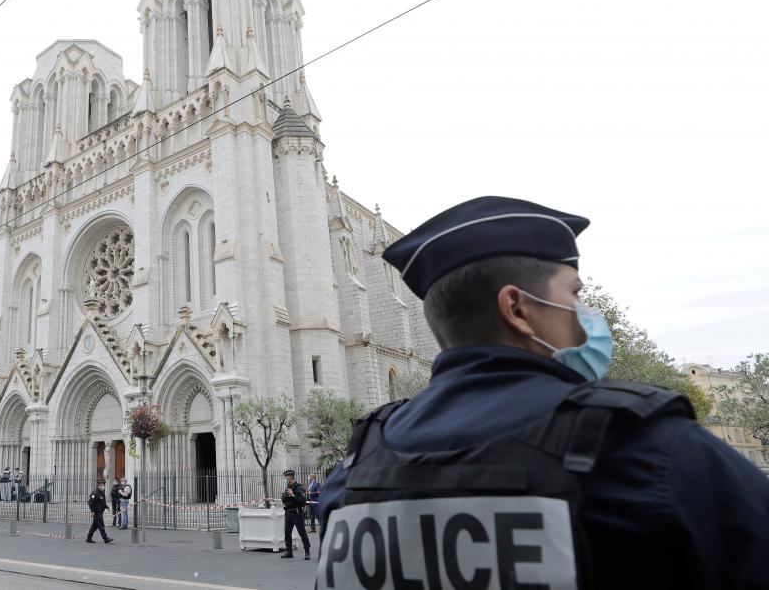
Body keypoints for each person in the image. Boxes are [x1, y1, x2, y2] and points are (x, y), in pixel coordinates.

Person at [315, 196, 769, 589]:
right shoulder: (655, 453)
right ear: (517, 308)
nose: (586, 313)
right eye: (574, 293)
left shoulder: (351, 476)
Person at [280, 470, 311, 560]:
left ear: (290, 477)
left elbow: (303, 501)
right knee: (287, 533)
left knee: (302, 532)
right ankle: (289, 552)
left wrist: (293, 495)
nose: (285, 478)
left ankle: (307, 552)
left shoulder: (299, 487)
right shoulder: (287, 487)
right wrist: (284, 496)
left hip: (297, 512)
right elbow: (285, 501)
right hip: (289, 512)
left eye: (286, 477)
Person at [86, 479, 114, 544]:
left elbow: (102, 502)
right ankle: (105, 538)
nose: (104, 486)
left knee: (94, 526)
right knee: (101, 525)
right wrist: (92, 511)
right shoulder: (95, 493)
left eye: (104, 485)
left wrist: (106, 507)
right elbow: (90, 503)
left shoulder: (101, 492)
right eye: (103, 485)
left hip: (100, 511)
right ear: (99, 485)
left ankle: (88, 538)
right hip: (97, 512)